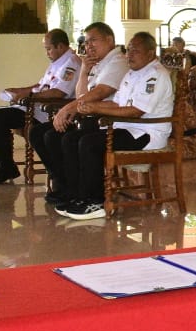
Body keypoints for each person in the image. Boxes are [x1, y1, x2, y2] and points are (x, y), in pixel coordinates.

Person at [54, 32, 176, 221]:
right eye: (128, 50)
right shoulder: (131, 73)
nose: (130, 55)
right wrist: (89, 107)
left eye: (136, 51)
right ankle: (76, 195)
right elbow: (117, 104)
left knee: (89, 143)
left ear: (151, 53)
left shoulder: (156, 75)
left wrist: (96, 107)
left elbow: (136, 111)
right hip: (126, 127)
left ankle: (95, 201)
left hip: (145, 133)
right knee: (71, 138)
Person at [36, 23, 130, 201]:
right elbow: (81, 95)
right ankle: (65, 184)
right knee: (40, 133)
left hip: (105, 119)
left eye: (93, 40)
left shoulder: (117, 61)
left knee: (65, 138)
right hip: (89, 116)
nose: (89, 46)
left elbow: (101, 92)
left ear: (109, 40)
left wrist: (68, 108)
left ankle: (81, 192)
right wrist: (84, 71)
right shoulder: (97, 63)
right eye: (86, 43)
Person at [0, 29, 81, 184]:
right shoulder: (57, 62)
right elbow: (41, 86)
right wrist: (19, 91)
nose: (47, 53)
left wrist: (28, 97)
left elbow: (58, 92)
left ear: (60, 46)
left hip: (47, 112)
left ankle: (5, 166)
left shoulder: (71, 63)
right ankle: (0, 161)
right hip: (34, 107)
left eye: (49, 49)